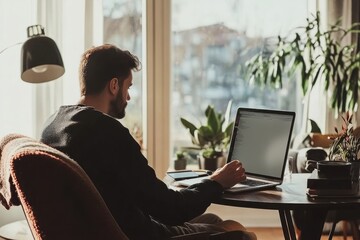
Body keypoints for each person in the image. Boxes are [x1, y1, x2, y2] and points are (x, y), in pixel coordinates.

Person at [40, 44, 257, 240]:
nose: (128, 97)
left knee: (214, 220)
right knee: (240, 233)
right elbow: (170, 210)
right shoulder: (107, 132)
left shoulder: (52, 126)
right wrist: (217, 181)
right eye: (129, 87)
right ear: (114, 85)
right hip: (140, 234)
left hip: (95, 230)